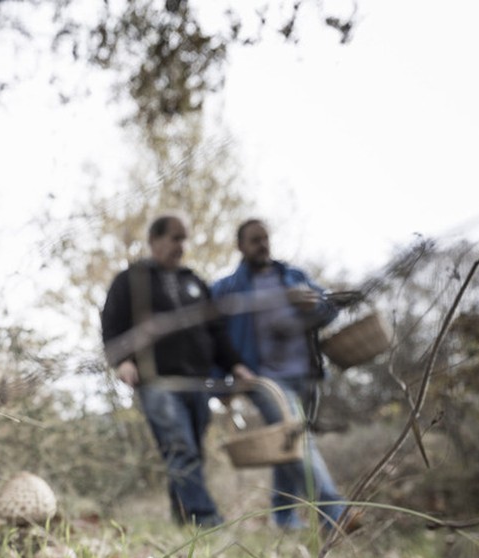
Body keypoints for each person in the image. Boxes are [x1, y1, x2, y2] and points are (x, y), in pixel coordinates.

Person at [101, 215, 254, 528]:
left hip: (198, 382)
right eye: (175, 238)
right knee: (180, 447)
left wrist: (235, 364)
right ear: (155, 241)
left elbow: (216, 332)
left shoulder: (194, 282)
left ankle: (182, 518)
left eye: (185, 239)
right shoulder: (132, 280)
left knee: (191, 452)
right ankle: (207, 519)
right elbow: (112, 325)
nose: (181, 246)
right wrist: (123, 361)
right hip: (158, 381)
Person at [210, 218, 357, 533]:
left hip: (304, 374)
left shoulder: (293, 276)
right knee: (296, 439)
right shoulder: (228, 289)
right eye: (254, 240)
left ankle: (284, 519)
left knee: (286, 444)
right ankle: (335, 513)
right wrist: (222, 381)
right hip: (263, 379)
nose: (262, 244)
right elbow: (211, 335)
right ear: (240, 246)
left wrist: (313, 302)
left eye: (265, 238)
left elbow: (329, 308)